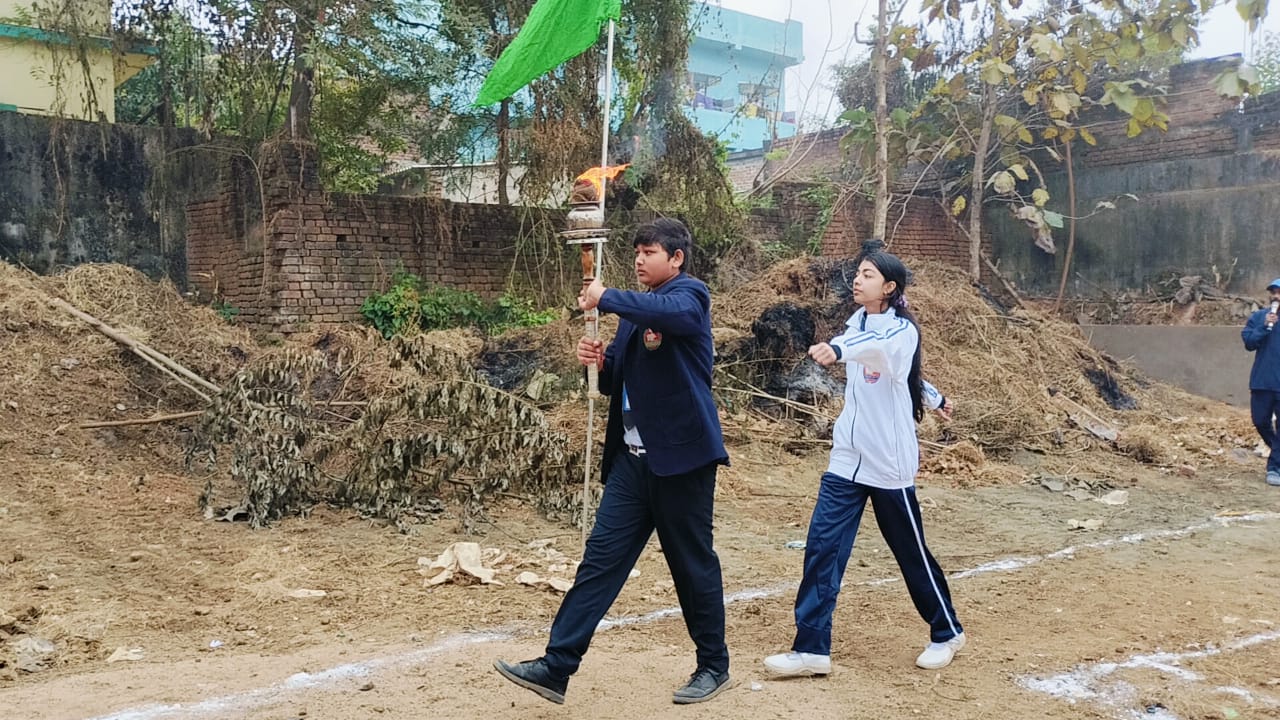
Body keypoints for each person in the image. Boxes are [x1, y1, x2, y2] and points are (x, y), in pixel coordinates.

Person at [495, 218, 732, 704]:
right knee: (599, 562)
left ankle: (714, 665)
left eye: (649, 252)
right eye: (637, 252)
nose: (640, 260)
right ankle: (556, 666)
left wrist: (605, 296)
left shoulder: (690, 296)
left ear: (676, 258)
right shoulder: (633, 313)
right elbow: (616, 384)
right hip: (632, 462)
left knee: (692, 566)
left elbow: (674, 316)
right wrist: (600, 363)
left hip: (682, 462)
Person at [764, 244, 965, 678]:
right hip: (846, 459)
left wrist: (837, 349)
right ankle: (811, 649)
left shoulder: (899, 332)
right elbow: (908, 376)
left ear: (889, 287)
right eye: (858, 273)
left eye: (868, 274)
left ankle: (947, 632)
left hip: (888, 463)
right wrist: (936, 397)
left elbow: (880, 352)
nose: (857, 279)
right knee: (822, 548)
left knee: (910, 553)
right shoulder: (857, 321)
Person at [1242, 277, 1280, 486]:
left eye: (1279, 292)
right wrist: (1264, 326)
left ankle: (1274, 468)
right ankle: (1277, 451)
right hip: (1262, 381)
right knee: (1260, 421)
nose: (1276, 296)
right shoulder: (1259, 317)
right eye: (1273, 292)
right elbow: (1249, 343)